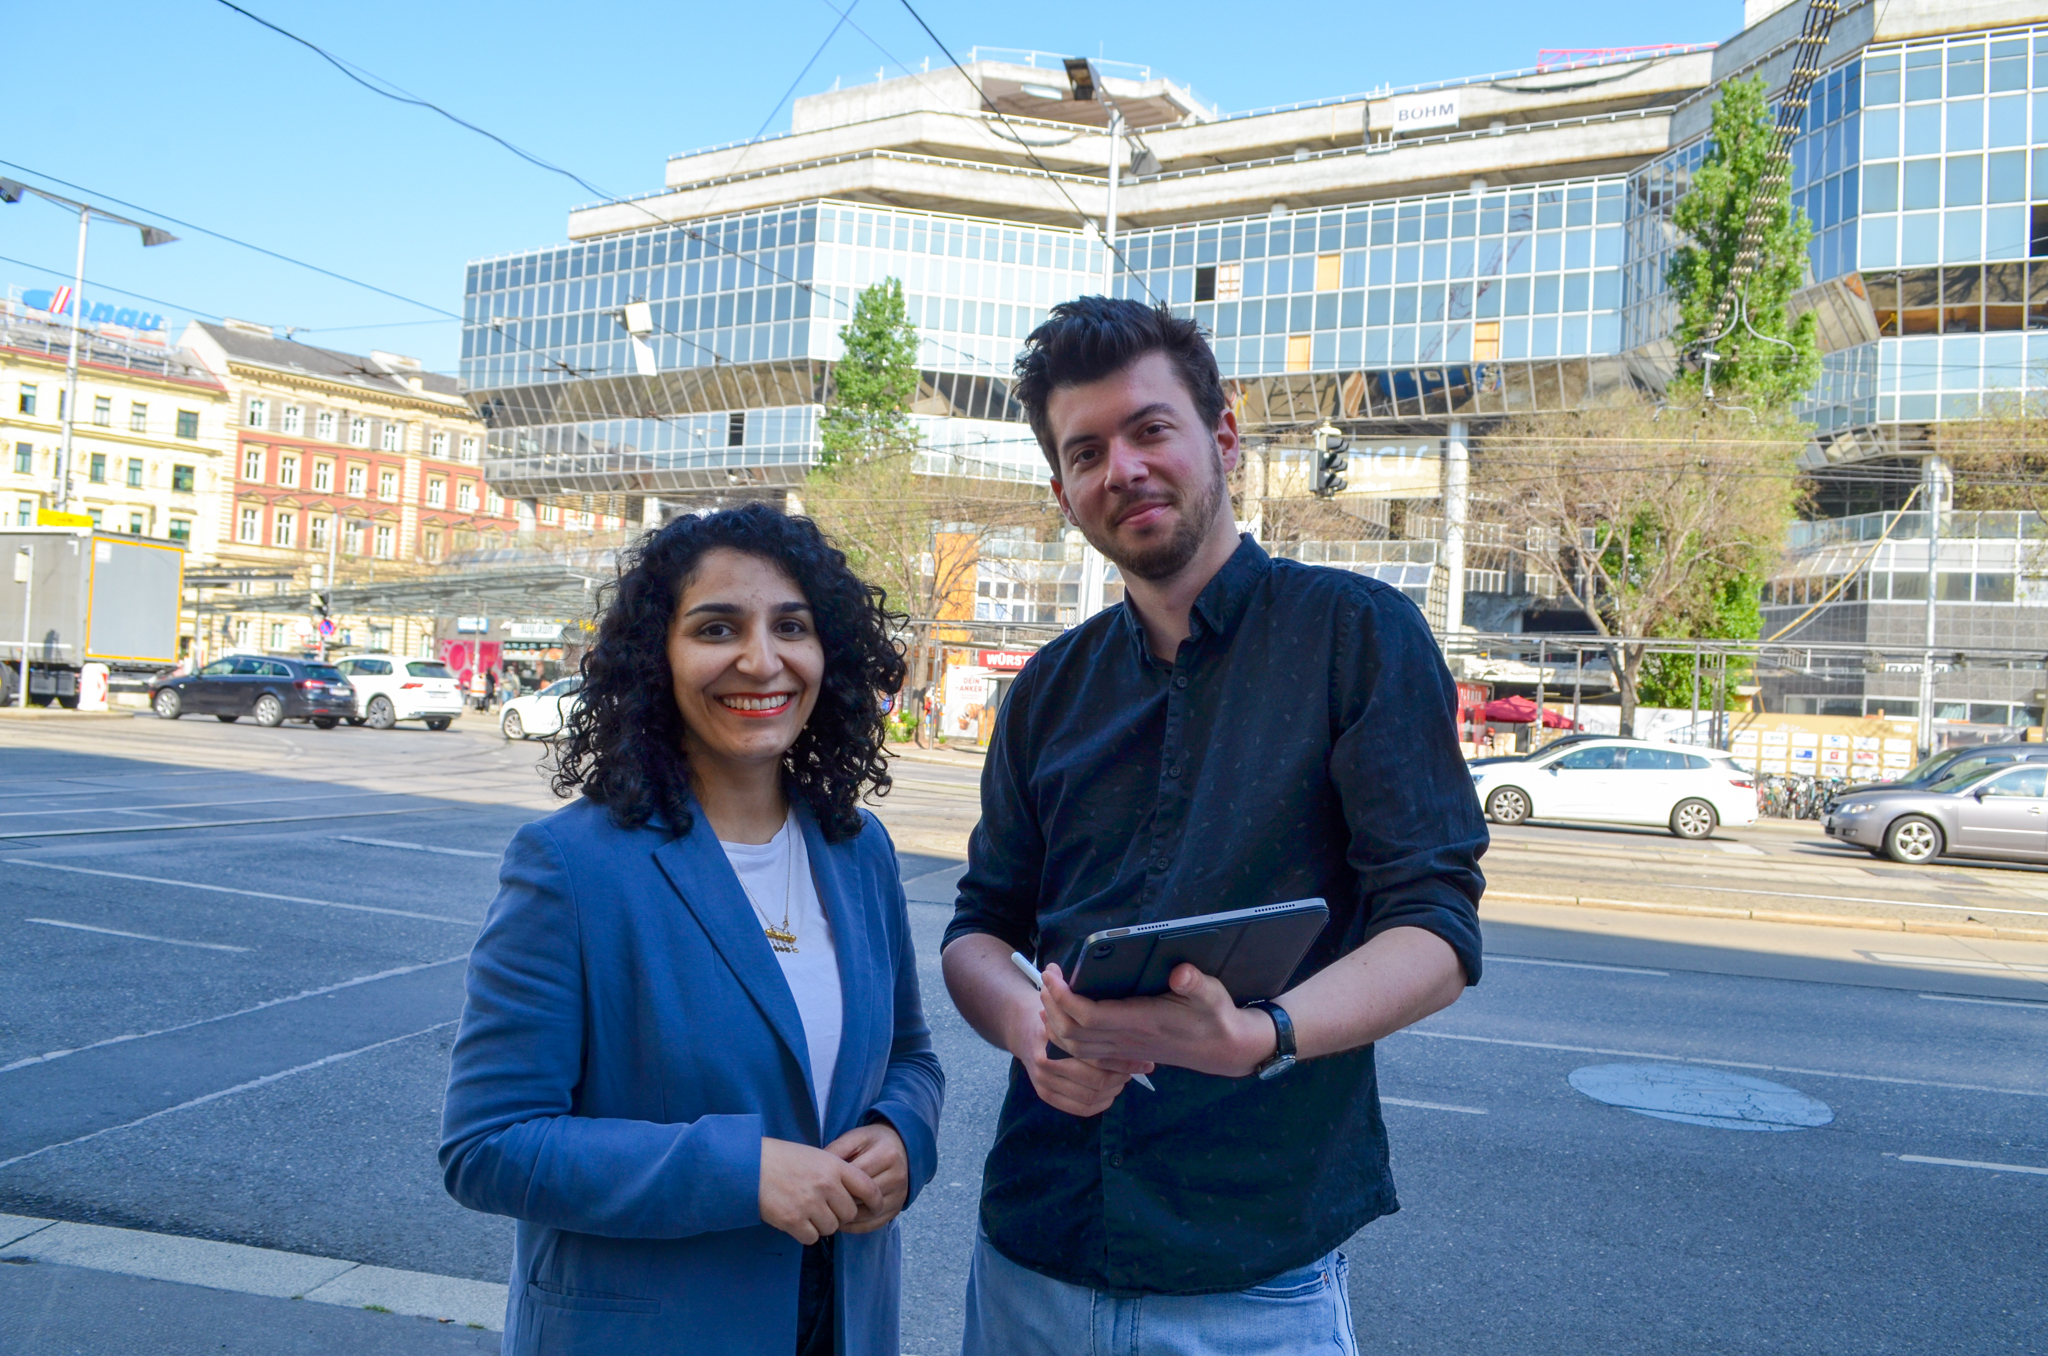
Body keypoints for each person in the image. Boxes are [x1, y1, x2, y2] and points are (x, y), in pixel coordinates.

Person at [942, 298, 1487, 1354]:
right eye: (1086, 451)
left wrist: (1258, 1038)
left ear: (1221, 436)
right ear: (1063, 493)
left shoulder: (1354, 635)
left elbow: (1434, 932)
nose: (1123, 469)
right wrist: (1030, 1030)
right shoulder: (1047, 689)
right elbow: (977, 930)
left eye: (1150, 430)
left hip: (1250, 1270)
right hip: (1031, 1253)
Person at [441, 503, 944, 1355]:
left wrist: (904, 1135)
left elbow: (910, 1056)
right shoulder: (572, 866)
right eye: (718, 627)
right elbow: (488, 1146)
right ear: (657, 659)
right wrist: (739, 1174)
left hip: (843, 1324)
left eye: (793, 625)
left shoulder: (859, 851)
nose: (762, 659)